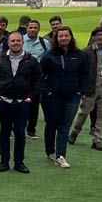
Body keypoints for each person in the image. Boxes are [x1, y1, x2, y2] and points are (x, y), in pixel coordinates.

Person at [0, 31, 41, 174]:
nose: (16, 43)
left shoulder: (31, 60)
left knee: (20, 132)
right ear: (8, 43)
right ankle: (4, 161)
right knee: (4, 132)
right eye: (13, 41)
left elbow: (38, 81)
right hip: (4, 101)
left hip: (22, 102)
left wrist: (30, 98)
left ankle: (19, 162)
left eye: (18, 41)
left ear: (22, 43)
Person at [38, 26, 88, 169]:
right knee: (51, 125)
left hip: (72, 96)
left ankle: (61, 155)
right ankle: (50, 152)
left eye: (66, 35)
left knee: (65, 127)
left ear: (71, 37)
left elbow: (85, 74)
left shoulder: (79, 54)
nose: (64, 38)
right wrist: (46, 92)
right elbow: (40, 75)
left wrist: (81, 91)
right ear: (56, 38)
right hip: (52, 97)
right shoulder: (49, 55)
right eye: (61, 36)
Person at [22, 19, 49, 139]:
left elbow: (48, 59)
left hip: (36, 78)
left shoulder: (44, 43)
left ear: (39, 29)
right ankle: (17, 127)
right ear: (26, 28)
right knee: (19, 103)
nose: (32, 30)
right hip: (21, 77)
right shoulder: (20, 40)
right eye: (30, 27)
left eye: (35, 28)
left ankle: (31, 129)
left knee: (34, 104)